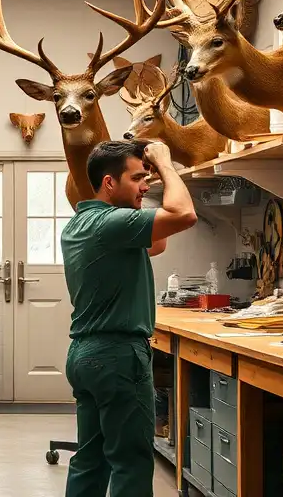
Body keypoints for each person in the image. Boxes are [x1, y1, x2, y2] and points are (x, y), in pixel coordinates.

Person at [60, 139, 197, 497]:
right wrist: (165, 163)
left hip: (86, 356)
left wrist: (137, 189)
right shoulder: (111, 225)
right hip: (118, 357)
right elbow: (184, 215)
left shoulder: (81, 224)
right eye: (137, 178)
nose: (146, 184)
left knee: (90, 460)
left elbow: (159, 242)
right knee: (132, 462)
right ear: (109, 182)